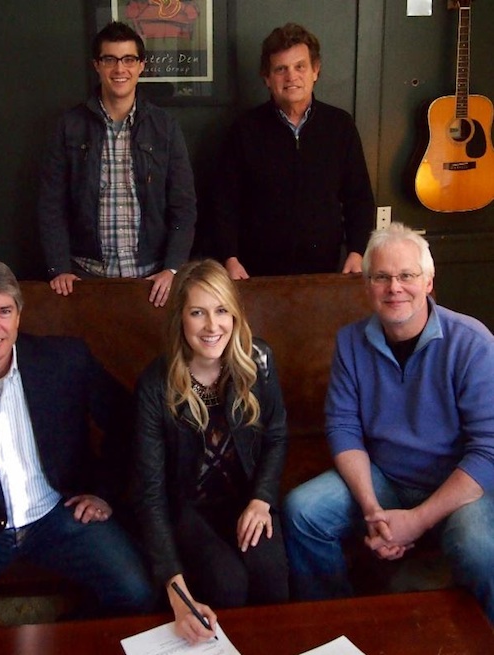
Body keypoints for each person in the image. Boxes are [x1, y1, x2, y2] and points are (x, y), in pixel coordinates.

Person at [0, 259, 154, 654]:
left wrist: (103, 492)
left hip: (57, 515)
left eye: (4, 311)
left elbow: (129, 422)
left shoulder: (64, 361)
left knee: (138, 593)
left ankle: (51, 643)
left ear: (18, 315)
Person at [282, 223, 494, 622]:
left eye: (407, 276)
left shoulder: (473, 343)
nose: (394, 287)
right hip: (387, 479)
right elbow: (343, 427)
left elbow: (489, 451)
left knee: (479, 546)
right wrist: (371, 509)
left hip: (460, 487)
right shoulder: (350, 342)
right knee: (302, 511)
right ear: (368, 287)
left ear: (429, 282)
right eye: (381, 277)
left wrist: (415, 522)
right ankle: (336, 631)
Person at [133, 259, 289, 644]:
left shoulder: (259, 361)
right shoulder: (155, 385)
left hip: (247, 500)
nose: (211, 326)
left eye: (221, 311)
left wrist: (262, 499)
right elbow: (150, 494)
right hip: (190, 509)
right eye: (197, 312)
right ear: (180, 319)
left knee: (271, 577)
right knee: (227, 584)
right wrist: (176, 591)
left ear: (235, 315)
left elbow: (277, 437)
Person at [38, 20, 196, 307]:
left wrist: (173, 268)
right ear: (96, 65)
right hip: (85, 278)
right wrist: (59, 268)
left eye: (128, 59)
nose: (119, 69)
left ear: (141, 66)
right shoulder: (69, 126)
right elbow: (51, 204)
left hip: (152, 280)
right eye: (109, 59)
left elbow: (183, 206)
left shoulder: (165, 127)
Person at [212, 22, 375, 279]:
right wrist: (230, 259)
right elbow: (223, 204)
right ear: (266, 77)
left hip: (326, 271)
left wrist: (357, 251)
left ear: (315, 71)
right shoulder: (244, 130)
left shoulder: (340, 125)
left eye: (300, 66)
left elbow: (360, 198)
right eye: (281, 69)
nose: (291, 77)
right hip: (256, 275)